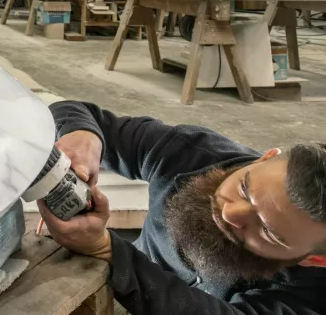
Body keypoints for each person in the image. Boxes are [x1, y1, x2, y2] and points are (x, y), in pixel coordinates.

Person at [38, 100, 326, 314]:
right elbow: (76, 111)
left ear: (313, 259)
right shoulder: (194, 153)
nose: (230, 213)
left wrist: (108, 251)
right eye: (244, 188)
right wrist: (84, 136)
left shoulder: (310, 295)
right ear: (265, 158)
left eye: (267, 231)